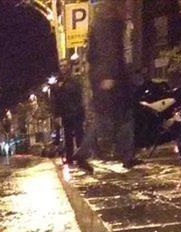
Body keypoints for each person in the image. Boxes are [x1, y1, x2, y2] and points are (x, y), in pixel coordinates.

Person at [73, 0, 135, 173]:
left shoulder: (100, 23)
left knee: (115, 117)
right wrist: (110, 75)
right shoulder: (110, 23)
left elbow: (93, 54)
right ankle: (84, 152)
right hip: (111, 77)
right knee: (113, 118)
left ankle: (127, 155)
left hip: (105, 76)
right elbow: (109, 50)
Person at [51, 66, 85, 164]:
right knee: (68, 135)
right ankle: (70, 156)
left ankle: (80, 155)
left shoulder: (74, 81)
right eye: (61, 66)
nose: (63, 68)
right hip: (66, 113)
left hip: (76, 111)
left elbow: (78, 94)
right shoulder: (58, 83)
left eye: (64, 66)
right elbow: (56, 100)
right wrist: (57, 115)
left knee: (79, 133)